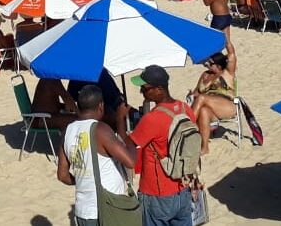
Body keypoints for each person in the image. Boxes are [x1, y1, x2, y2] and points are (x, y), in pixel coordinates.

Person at [125, 65, 198, 225]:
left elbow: (128, 143)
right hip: (182, 188)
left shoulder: (152, 118)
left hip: (157, 193)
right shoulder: (185, 109)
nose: (141, 92)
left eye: (144, 88)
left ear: (159, 89)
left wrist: (119, 120)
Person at [57, 85, 137, 226]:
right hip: (105, 209)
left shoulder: (68, 130)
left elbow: (62, 175)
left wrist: (84, 180)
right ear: (101, 106)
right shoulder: (100, 129)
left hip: (82, 210)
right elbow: (130, 161)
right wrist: (128, 137)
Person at [188, 47, 237, 155]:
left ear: (218, 66)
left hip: (226, 105)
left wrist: (226, 37)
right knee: (203, 111)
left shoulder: (227, 73)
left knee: (202, 98)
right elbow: (197, 91)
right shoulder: (205, 75)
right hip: (209, 107)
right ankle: (205, 147)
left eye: (210, 63)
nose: (206, 64)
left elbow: (232, 54)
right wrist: (192, 94)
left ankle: (188, 128)